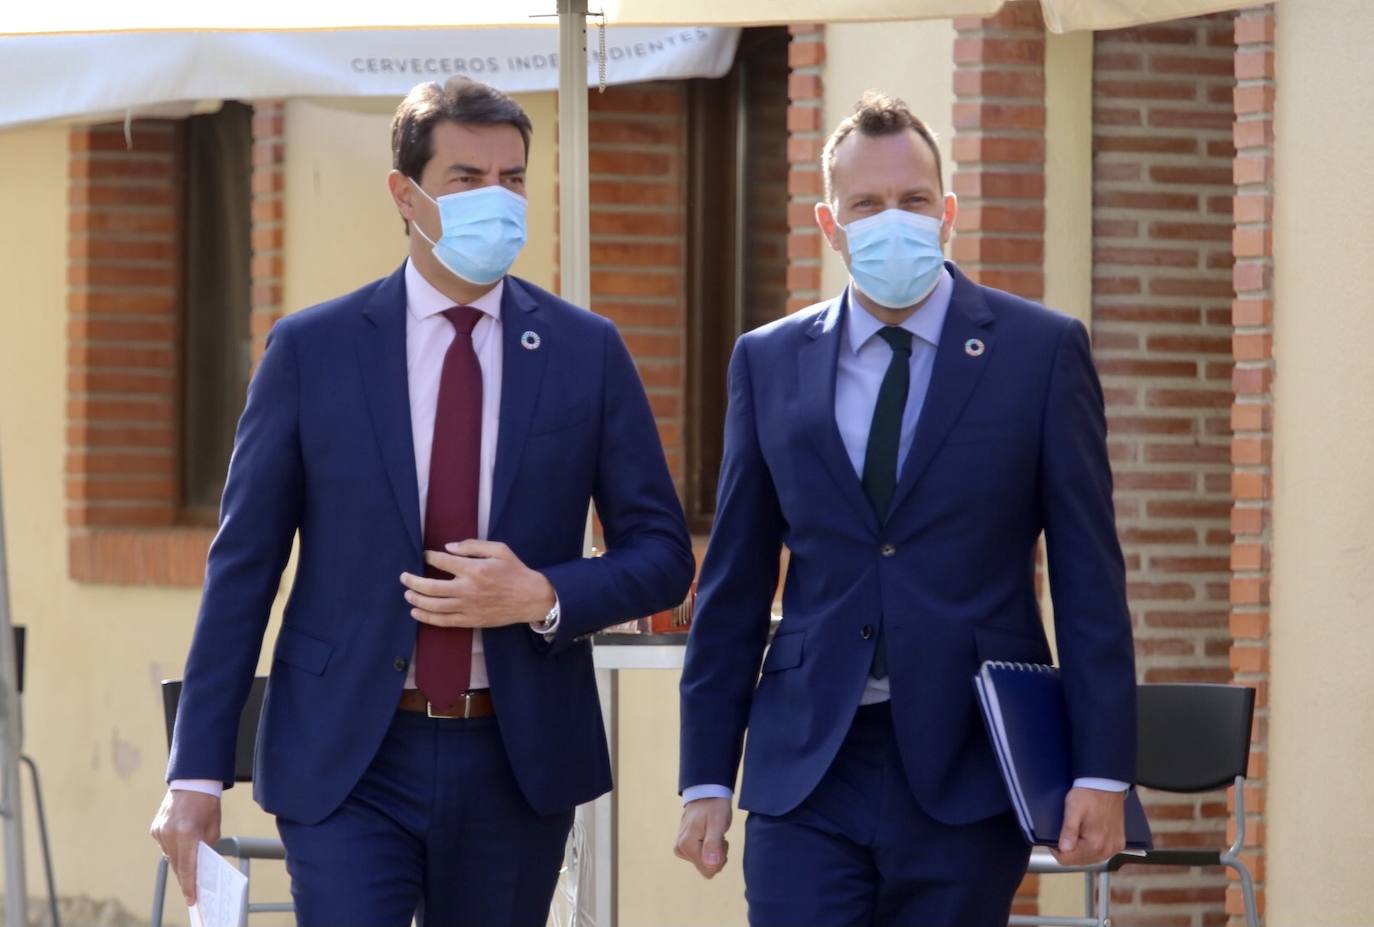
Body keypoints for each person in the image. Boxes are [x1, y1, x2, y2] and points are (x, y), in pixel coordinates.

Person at [150, 76, 694, 927]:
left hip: (517, 757)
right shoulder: (311, 352)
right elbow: (243, 566)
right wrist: (195, 774)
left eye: (512, 178)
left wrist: (546, 595)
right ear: (405, 195)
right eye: (467, 179)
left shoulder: (586, 352)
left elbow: (662, 554)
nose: (497, 200)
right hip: (350, 757)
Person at [674, 91, 1137, 927]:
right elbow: (735, 584)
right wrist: (707, 774)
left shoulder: (1039, 352)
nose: (895, 220)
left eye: (914, 201)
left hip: (966, 761)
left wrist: (1101, 769)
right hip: (807, 764)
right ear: (831, 222)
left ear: (948, 211)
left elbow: (1089, 576)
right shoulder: (767, 361)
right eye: (868, 205)